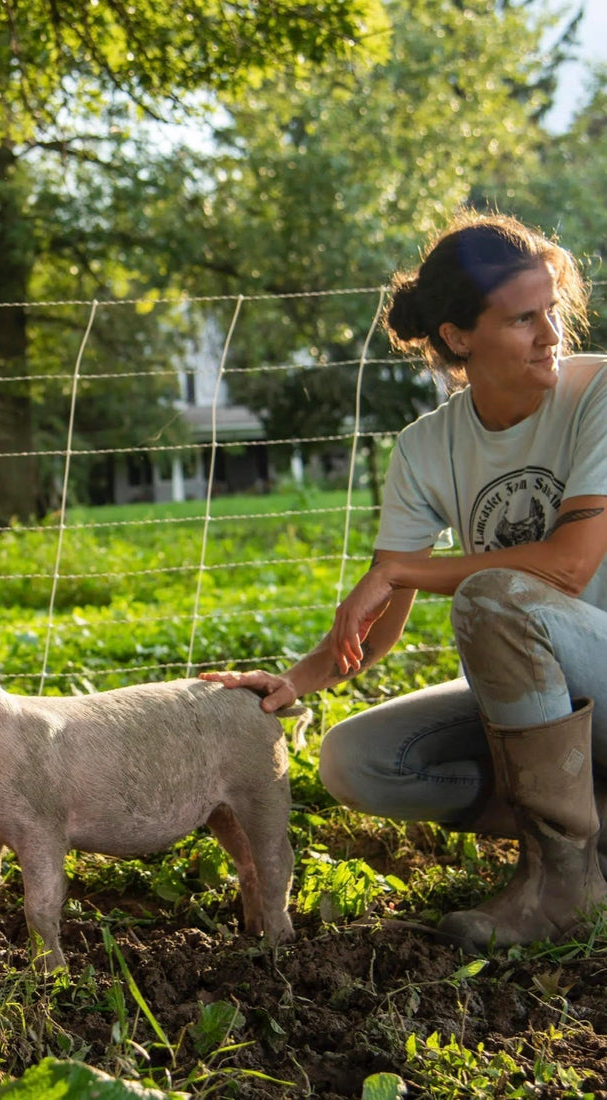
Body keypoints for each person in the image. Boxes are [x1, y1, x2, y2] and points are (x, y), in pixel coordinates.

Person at [204, 210, 607, 952]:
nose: (551, 334)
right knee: (354, 760)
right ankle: (587, 844)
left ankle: (560, 888)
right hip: (554, 706)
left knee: (494, 597)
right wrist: (294, 681)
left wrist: (401, 569)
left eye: (552, 309)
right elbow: (379, 621)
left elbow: (571, 565)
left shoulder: (598, 394)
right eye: (524, 319)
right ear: (458, 337)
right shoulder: (428, 448)